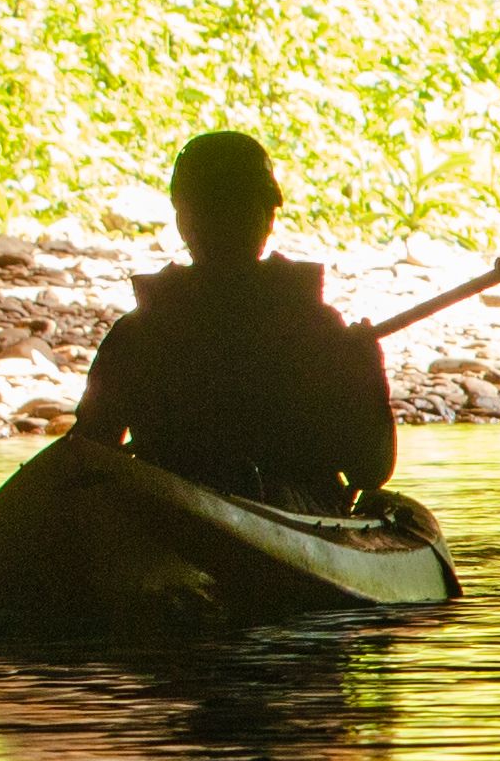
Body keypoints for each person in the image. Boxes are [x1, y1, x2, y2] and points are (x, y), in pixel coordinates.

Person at [65, 130, 404, 508]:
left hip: (178, 510)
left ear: (183, 221)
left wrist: (363, 369)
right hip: (275, 506)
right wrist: (366, 369)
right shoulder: (316, 327)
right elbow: (369, 469)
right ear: (268, 218)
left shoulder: (138, 332)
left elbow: (86, 451)